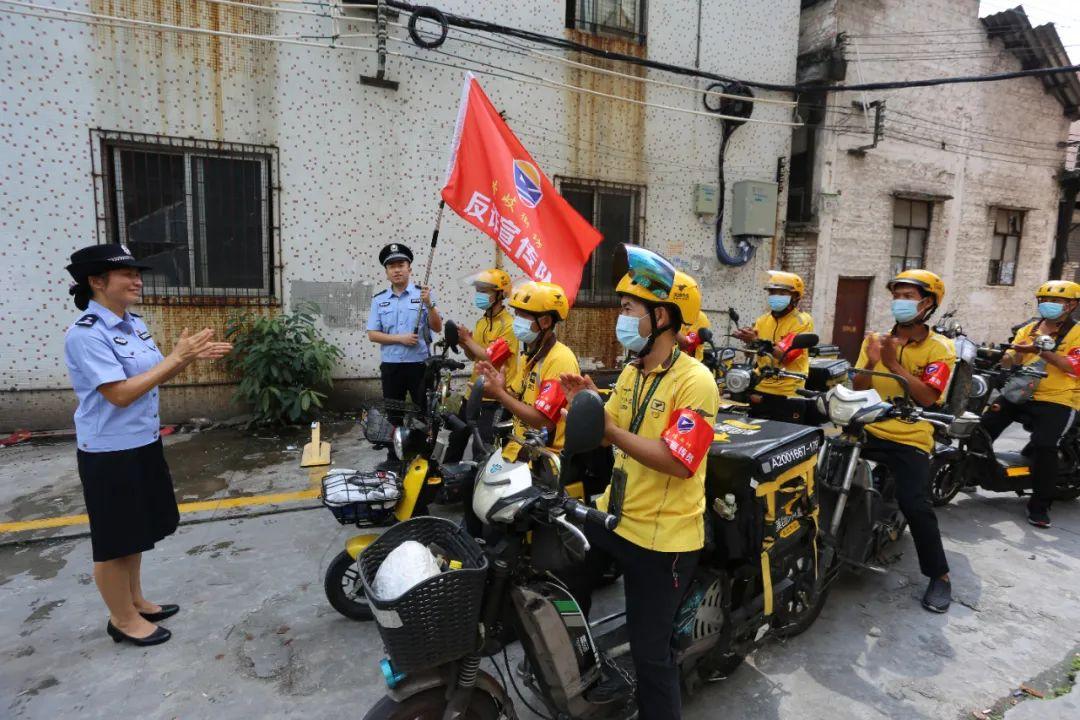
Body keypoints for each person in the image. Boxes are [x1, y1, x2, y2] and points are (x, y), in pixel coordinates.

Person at [560, 246, 720, 720]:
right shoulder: (634, 371)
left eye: (629, 309)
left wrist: (608, 429)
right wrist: (591, 404)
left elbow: (677, 460)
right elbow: (613, 426)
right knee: (565, 575)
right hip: (617, 516)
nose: (621, 316)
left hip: (663, 538)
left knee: (651, 653)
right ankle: (579, 668)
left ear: (663, 316)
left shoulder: (697, 382)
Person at [63, 243, 232, 647]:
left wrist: (186, 359)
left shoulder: (133, 324)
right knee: (113, 540)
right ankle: (121, 619)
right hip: (109, 451)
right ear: (97, 281)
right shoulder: (86, 335)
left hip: (141, 441)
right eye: (127, 274)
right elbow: (120, 394)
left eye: (138, 273)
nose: (137, 280)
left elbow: (151, 374)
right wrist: (177, 359)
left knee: (135, 530)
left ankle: (135, 600)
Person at [852, 269, 955, 613]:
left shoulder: (940, 348)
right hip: (870, 427)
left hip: (911, 436)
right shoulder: (877, 339)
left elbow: (928, 397)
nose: (900, 302)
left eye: (908, 297)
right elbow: (859, 389)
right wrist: (870, 359)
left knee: (916, 504)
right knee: (824, 473)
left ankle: (939, 575)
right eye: (897, 295)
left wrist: (894, 364)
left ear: (928, 304)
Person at [979, 280, 1080, 528]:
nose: (1049, 305)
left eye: (1056, 301)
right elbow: (1016, 355)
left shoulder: (1077, 333)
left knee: (1046, 446)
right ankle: (973, 471)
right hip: (1023, 393)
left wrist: (1041, 349)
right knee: (983, 427)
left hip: (1059, 397)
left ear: (1072, 305)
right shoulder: (1031, 328)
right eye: (1045, 300)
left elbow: (1071, 367)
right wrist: (1003, 357)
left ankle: (1039, 505)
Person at [476, 280, 577, 463]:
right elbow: (519, 400)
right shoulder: (528, 356)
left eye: (523, 316)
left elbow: (544, 422)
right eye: (516, 314)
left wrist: (500, 395)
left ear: (545, 321)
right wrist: (501, 389)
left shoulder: (559, 359)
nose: (517, 321)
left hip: (544, 457)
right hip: (520, 447)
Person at [366, 243, 442, 467]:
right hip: (392, 367)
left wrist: (430, 306)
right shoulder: (379, 300)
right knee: (393, 415)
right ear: (386, 272)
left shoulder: (423, 295)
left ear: (409, 268)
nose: (397, 270)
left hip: (419, 365)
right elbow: (373, 334)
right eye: (392, 266)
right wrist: (400, 338)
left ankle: (423, 455)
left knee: (422, 413)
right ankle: (394, 456)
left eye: (401, 265)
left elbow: (437, 327)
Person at [445, 268, 519, 464]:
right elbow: (474, 356)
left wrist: (468, 340)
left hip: (493, 397)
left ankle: (477, 487)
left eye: (485, 291)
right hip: (473, 392)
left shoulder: (509, 325)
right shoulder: (482, 322)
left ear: (500, 294)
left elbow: (491, 358)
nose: (480, 295)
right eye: (478, 290)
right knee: (456, 438)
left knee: (483, 447)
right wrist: (464, 343)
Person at [732, 271, 815, 422]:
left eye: (782, 293)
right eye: (772, 292)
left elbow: (786, 356)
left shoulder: (802, 321)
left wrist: (757, 341)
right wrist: (748, 341)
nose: (776, 296)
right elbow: (751, 354)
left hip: (788, 390)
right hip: (760, 385)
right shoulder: (762, 320)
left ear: (796, 296)